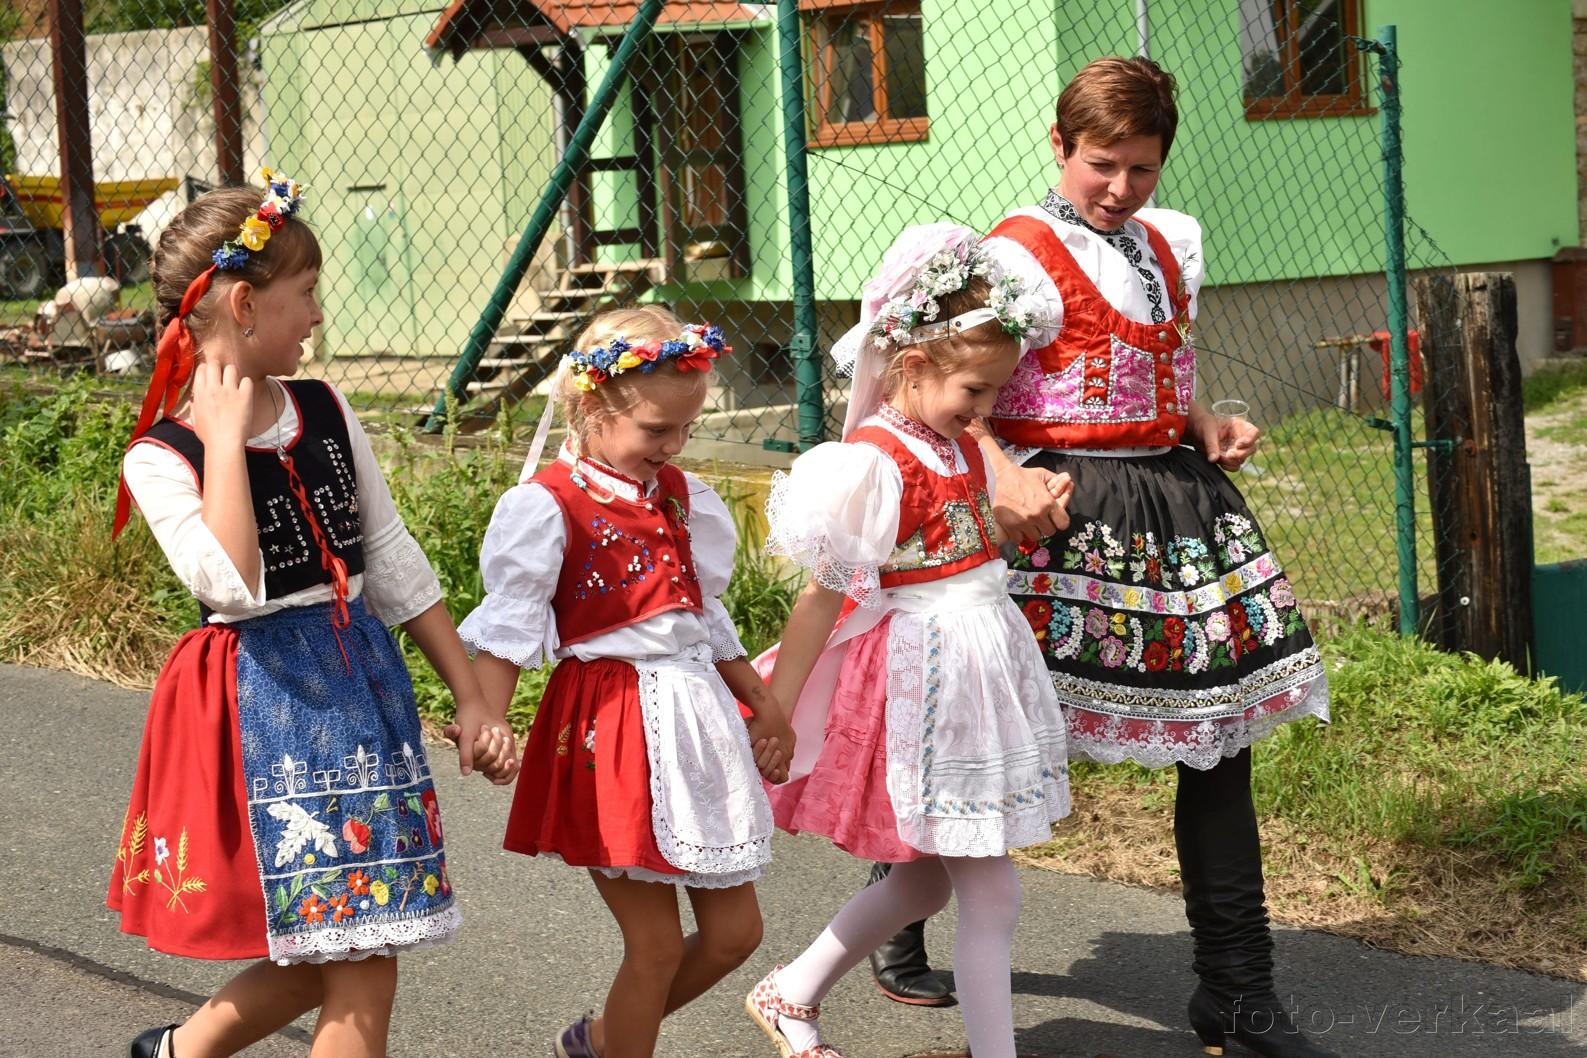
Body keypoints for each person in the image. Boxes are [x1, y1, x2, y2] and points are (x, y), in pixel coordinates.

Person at [967, 57, 1334, 1058]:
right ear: (1059, 145)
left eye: (1141, 166)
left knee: (1218, 740)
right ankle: (897, 914)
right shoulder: (1012, 255)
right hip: (1052, 517)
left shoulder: (1167, 242)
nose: (1121, 187)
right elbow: (947, 388)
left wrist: (1200, 419)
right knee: (989, 736)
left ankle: (1238, 988)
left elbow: (1158, 363)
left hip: (1174, 501)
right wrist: (997, 472)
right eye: (1101, 164)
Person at [108, 174, 518, 1058]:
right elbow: (234, 587)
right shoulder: (163, 457)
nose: (318, 315)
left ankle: (174, 1052)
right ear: (245, 305)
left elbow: (391, 558)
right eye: (305, 294)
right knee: (355, 950)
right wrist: (224, 439)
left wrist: (472, 694)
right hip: (269, 711)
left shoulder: (326, 410)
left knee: (331, 945)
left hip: (360, 692)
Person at [744, 225, 1072, 1058]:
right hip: (926, 684)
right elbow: (824, 598)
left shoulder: (951, 443)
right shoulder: (872, 463)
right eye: (974, 389)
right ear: (913, 365)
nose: (984, 410)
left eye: (995, 391)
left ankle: (791, 991)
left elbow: (962, 546)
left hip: (972, 676)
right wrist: (776, 709)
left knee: (925, 881)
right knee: (991, 894)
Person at [459, 306, 793, 1058]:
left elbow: (702, 617)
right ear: (591, 409)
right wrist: (487, 716)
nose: (673, 446)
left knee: (736, 934)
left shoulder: (680, 495)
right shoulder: (548, 505)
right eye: (656, 430)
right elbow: (510, 628)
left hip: (695, 723)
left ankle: (602, 1040)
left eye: (685, 427)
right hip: (612, 727)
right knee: (656, 948)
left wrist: (764, 704)